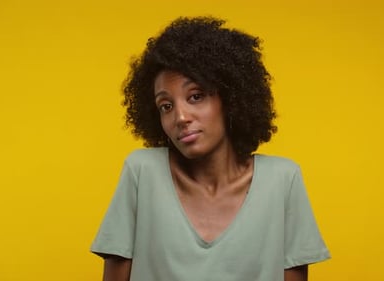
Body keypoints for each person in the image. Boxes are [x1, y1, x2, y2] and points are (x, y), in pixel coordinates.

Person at [91, 16, 330, 281]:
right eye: (166, 106)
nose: (180, 117)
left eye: (196, 96)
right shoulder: (142, 172)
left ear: (230, 99)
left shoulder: (283, 180)